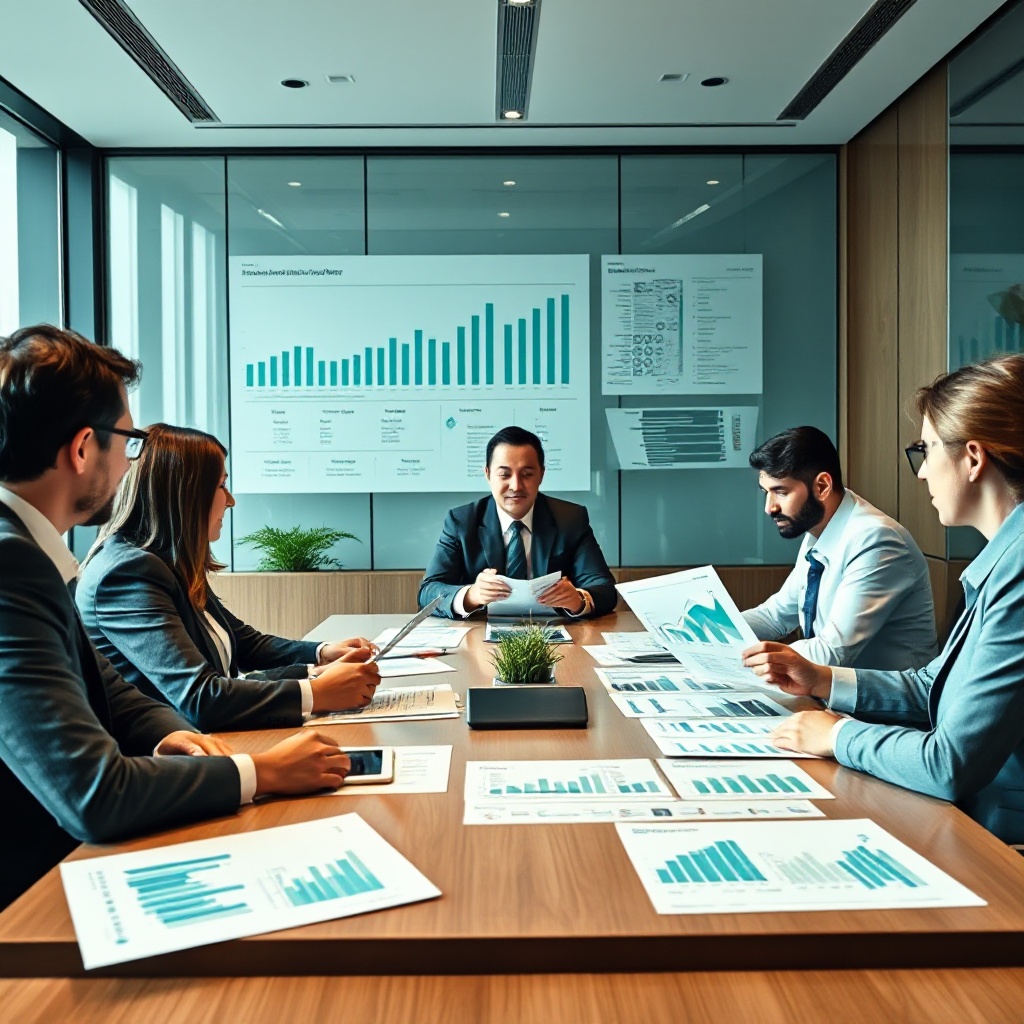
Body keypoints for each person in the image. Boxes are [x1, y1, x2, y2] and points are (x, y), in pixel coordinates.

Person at [0, 325, 352, 909]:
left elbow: (110, 692)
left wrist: (171, 732)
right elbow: (93, 795)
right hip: (36, 901)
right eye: (127, 439)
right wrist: (259, 773)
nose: (130, 460)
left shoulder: (34, 551)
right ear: (84, 448)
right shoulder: (12, 564)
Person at [743, 355, 1024, 844]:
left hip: (993, 834)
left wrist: (835, 735)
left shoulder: (1016, 572)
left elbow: (948, 764)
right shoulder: (1002, 559)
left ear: (973, 458)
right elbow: (931, 686)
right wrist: (823, 679)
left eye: (927, 449)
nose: (920, 474)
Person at [77, 424, 380, 733]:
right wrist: (316, 692)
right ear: (186, 494)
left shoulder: (165, 560)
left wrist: (322, 655)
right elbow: (201, 698)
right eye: (221, 485)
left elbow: (244, 643)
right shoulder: (127, 574)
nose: (230, 500)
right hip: (170, 759)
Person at [742, 426, 936, 669]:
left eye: (781, 492)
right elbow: (775, 617)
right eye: (766, 493)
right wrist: (700, 635)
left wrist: (745, 658)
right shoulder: (819, 528)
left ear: (822, 486)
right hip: (831, 697)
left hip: (880, 704)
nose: (769, 508)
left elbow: (831, 653)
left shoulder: (877, 541)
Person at [418, 426, 616, 619]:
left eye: (527, 474)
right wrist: (471, 595)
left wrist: (579, 600)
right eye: (504, 474)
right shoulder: (461, 521)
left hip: (555, 637)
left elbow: (605, 589)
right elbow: (428, 592)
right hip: (479, 639)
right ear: (487, 474)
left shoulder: (570, 519)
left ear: (541, 474)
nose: (516, 486)